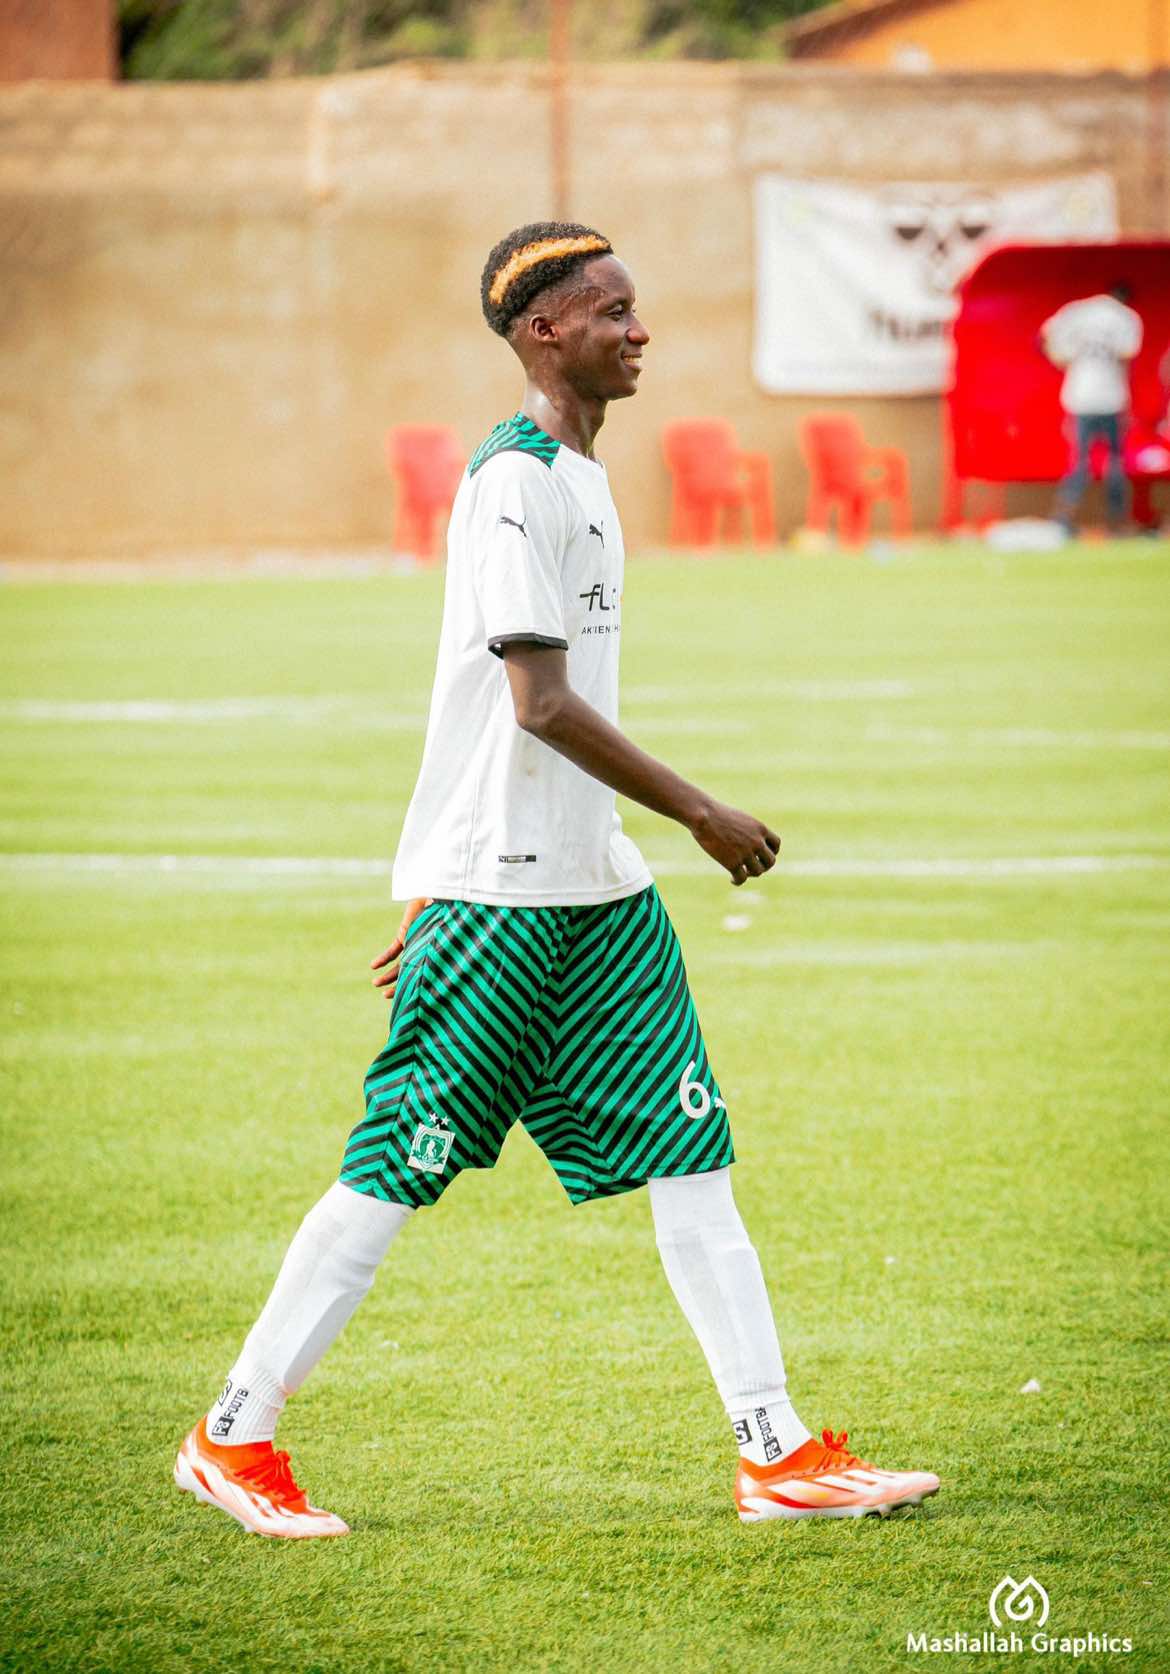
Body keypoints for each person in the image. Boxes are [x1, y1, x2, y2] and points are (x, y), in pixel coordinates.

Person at [174, 221, 940, 1538]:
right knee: (397, 1167)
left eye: (636, 309)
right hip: (504, 897)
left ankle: (774, 1449)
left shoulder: (581, 474)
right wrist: (695, 812)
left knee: (691, 1153)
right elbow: (534, 704)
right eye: (611, 312)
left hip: (598, 892)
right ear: (544, 331)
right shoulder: (513, 485)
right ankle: (233, 1434)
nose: (639, 330)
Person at [1040, 282, 1143, 534]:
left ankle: (1063, 520)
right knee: (1115, 462)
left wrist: (1061, 358)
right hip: (1112, 398)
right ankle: (1116, 523)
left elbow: (1046, 334)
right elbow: (1128, 355)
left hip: (1080, 397)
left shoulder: (1078, 311)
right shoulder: (1126, 318)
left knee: (1078, 461)